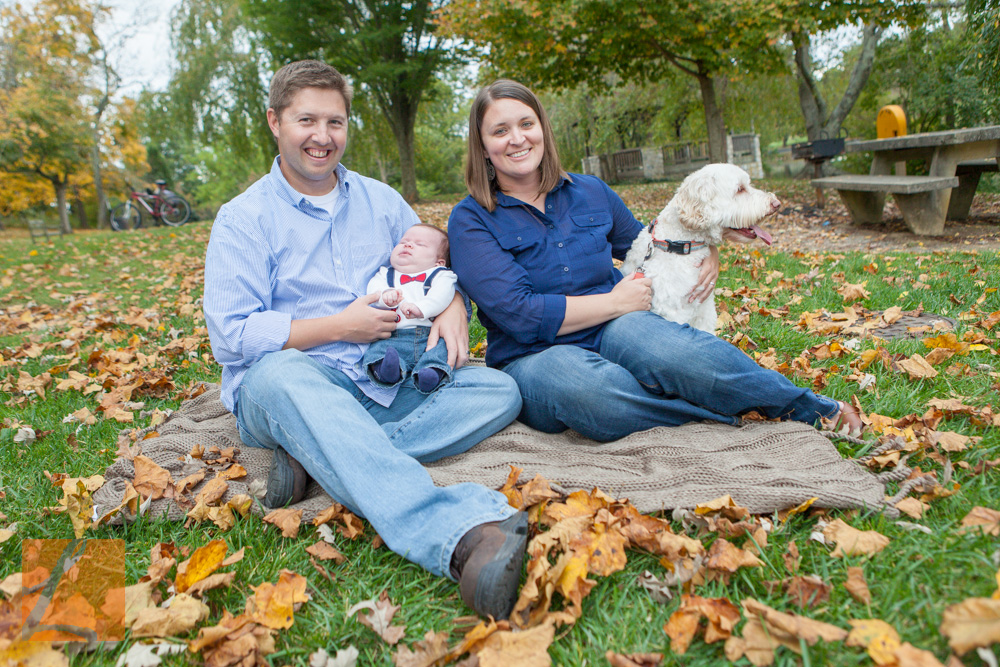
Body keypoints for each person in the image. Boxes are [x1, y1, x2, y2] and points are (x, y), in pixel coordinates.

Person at [203, 61, 530, 620]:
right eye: (307, 120)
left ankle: (315, 455)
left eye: (335, 121)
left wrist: (453, 303)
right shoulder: (243, 219)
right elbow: (232, 337)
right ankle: (460, 535)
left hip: (381, 379)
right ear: (275, 122)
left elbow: (430, 262)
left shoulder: (381, 201)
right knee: (283, 374)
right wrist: (339, 327)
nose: (323, 136)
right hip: (287, 379)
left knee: (500, 391)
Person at [447, 79, 863, 442]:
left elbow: (650, 243)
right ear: (482, 146)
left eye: (526, 124)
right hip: (534, 357)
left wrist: (710, 247)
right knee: (589, 390)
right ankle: (715, 417)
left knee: (680, 354)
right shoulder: (470, 220)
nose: (517, 139)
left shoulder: (590, 191)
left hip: (615, 328)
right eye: (500, 131)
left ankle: (810, 408)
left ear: (542, 129)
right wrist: (613, 302)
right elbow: (520, 315)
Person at [364, 223, 456, 393]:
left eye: (420, 244)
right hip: (393, 336)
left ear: (439, 262)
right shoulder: (385, 274)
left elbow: (442, 295)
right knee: (379, 350)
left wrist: (421, 308)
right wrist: (385, 296)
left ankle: (430, 373)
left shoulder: (441, 275)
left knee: (441, 350)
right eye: (403, 242)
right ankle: (387, 370)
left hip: (429, 337)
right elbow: (373, 290)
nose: (408, 245)